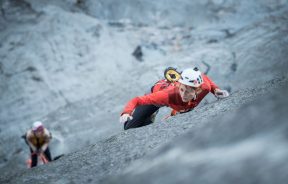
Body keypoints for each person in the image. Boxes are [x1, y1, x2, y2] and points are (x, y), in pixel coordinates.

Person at [120, 67, 229, 130]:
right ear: (178, 85)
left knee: (185, 108)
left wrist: (215, 90)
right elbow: (137, 100)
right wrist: (126, 112)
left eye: (188, 91)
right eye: (182, 90)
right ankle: (153, 114)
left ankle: (174, 113)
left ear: (198, 90)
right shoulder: (166, 95)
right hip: (157, 94)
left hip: (177, 101)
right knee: (129, 127)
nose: (184, 95)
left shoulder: (204, 87)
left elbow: (205, 78)